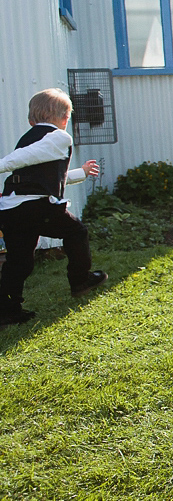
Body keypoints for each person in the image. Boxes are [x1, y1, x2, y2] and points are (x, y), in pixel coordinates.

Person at [0, 89, 106, 327]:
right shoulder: (59, 137)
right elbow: (23, 158)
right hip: (35, 206)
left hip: (11, 207)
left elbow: (47, 176)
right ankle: (81, 281)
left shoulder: (30, 137)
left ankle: (7, 311)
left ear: (31, 120)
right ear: (64, 118)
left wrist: (81, 173)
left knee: (20, 262)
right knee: (76, 232)